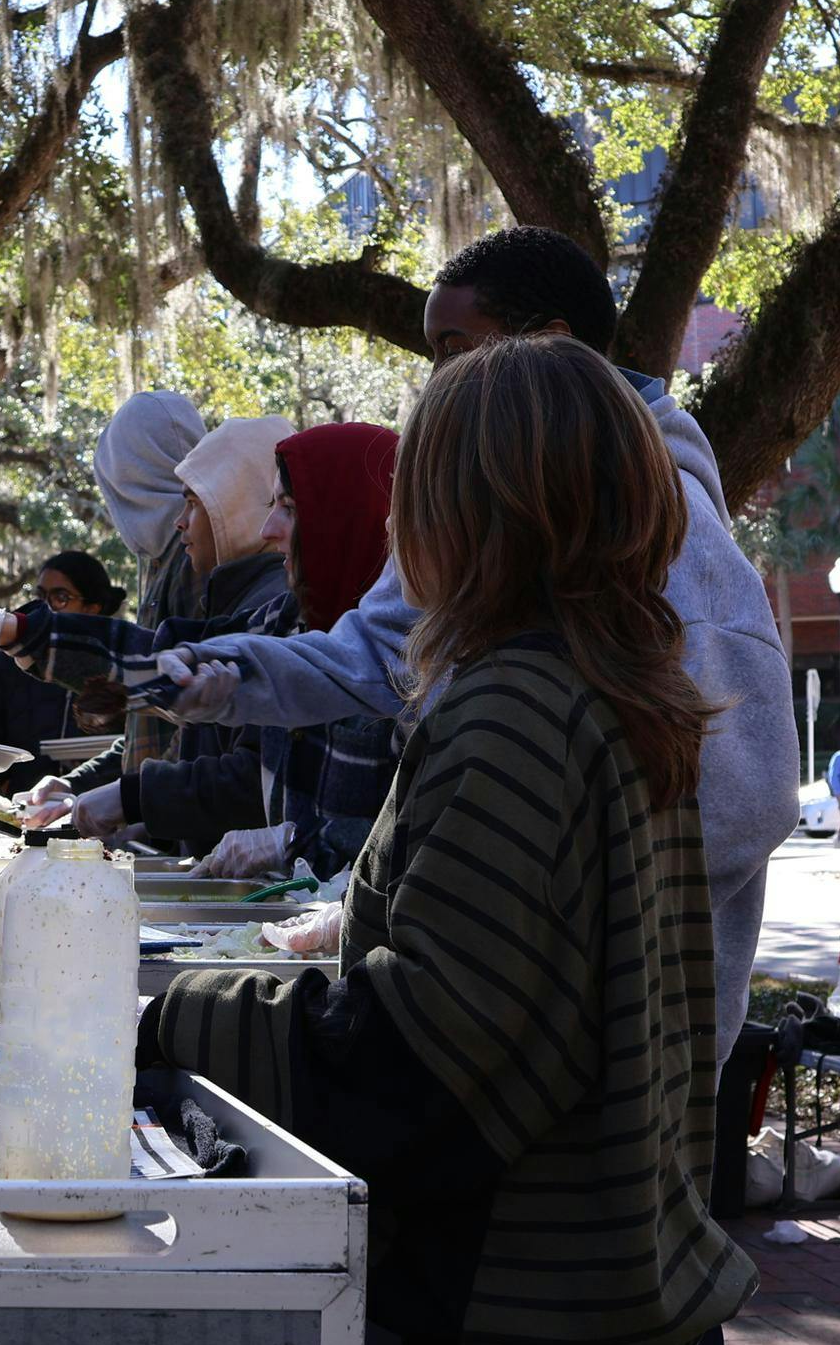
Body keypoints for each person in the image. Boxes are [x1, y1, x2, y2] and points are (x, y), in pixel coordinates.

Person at [139, 336, 756, 1345]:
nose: (386, 530)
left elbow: (417, 1058)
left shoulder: (515, 706)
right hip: (612, 1292)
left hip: (526, 1319)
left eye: (408, 495)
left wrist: (157, 1008)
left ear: (466, 514)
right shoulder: (613, 680)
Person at [149, 226, 797, 1064]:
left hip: (632, 1038)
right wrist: (219, 675)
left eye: (455, 350)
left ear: (551, 346)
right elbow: (373, 650)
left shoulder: (663, 518)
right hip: (495, 1032)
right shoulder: (487, 497)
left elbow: (747, 798)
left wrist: (530, 909)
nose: (436, 382)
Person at [0, 423, 400, 880]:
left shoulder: (410, 652)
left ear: (345, 515)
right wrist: (11, 628)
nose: (268, 526)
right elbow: (166, 658)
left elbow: (413, 837)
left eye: (290, 507)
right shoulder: (286, 615)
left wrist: (296, 843)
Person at [63, 416, 294, 853]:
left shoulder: (258, 602)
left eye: (193, 502)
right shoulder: (229, 587)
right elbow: (182, 729)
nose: (180, 522)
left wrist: (137, 801)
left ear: (233, 502)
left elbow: (250, 775)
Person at [25, 391, 207, 809]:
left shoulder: (195, 559)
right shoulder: (158, 559)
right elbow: (147, 720)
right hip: (153, 812)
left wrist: (126, 805)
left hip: (181, 815)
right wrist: (77, 784)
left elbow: (199, 719)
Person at [0, 551, 125, 793]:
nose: (46, 608)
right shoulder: (14, 658)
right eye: (41, 596)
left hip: (100, 799)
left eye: (61, 598)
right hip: (25, 799)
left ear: (92, 608)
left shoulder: (119, 665)